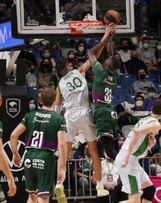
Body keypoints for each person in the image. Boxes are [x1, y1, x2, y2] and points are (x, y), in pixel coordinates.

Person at [54, 24, 115, 198]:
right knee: (94, 150)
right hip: (84, 112)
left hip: (69, 116)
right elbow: (94, 56)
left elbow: (57, 110)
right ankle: (100, 186)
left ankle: (59, 183)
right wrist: (105, 37)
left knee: (64, 154)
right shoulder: (78, 71)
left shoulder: (59, 85)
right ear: (67, 66)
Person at [10, 87, 67, 203]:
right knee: (43, 197)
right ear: (55, 99)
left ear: (40, 100)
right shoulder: (58, 119)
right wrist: (62, 167)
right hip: (45, 157)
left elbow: (13, 135)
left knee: (32, 196)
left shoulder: (30, 116)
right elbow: (61, 144)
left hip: (29, 156)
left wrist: (15, 154)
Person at [115, 101, 161, 203]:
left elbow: (141, 142)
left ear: (152, 109)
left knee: (149, 190)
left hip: (133, 160)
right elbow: (137, 132)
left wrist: (150, 145)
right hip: (128, 159)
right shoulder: (156, 124)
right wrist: (127, 156)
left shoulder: (145, 119)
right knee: (134, 200)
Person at [88, 26, 122, 161]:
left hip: (103, 111)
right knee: (106, 151)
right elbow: (110, 55)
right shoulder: (114, 74)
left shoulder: (101, 71)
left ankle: (129, 165)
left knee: (109, 152)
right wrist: (110, 37)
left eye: (107, 60)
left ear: (108, 65)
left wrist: (104, 40)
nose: (106, 59)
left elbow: (90, 53)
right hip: (109, 110)